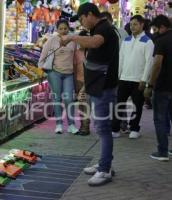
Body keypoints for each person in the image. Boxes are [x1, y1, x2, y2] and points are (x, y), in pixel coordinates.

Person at [61, 3, 119, 186]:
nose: (82, 23)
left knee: (103, 128)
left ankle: (104, 170)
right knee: (100, 127)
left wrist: (72, 37)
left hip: (104, 87)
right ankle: (104, 164)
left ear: (89, 14)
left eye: (82, 19)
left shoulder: (105, 28)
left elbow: (95, 42)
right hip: (96, 85)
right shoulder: (97, 28)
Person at [112, 15, 154, 139]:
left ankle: (134, 128)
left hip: (138, 80)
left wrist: (144, 79)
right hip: (124, 78)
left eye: (135, 24)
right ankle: (115, 129)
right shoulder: (126, 40)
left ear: (142, 25)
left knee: (137, 105)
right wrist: (118, 76)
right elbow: (121, 59)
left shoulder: (148, 41)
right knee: (119, 104)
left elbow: (149, 62)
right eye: (131, 24)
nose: (132, 27)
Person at [38, 19, 79, 135]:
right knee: (57, 98)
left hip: (69, 74)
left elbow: (76, 57)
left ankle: (71, 125)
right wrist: (42, 69)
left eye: (65, 28)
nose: (63, 30)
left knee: (69, 99)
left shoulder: (73, 40)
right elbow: (43, 55)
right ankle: (59, 124)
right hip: (54, 73)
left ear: (68, 28)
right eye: (60, 28)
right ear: (57, 29)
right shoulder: (52, 40)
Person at [144, 15, 172, 161]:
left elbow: (157, 64)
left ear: (161, 27)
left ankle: (162, 152)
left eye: (155, 29)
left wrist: (150, 84)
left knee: (160, 119)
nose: (154, 32)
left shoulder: (161, 41)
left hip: (163, 86)